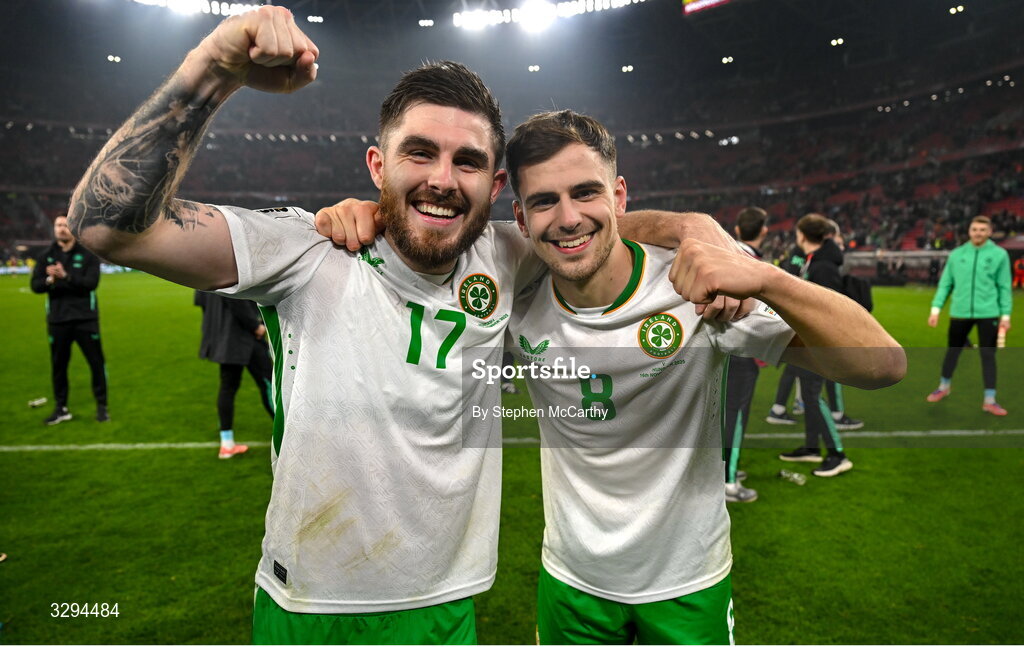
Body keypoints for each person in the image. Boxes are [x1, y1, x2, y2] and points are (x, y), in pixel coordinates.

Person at [67, 8, 739, 643]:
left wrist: (689, 228)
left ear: (495, 183)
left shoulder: (506, 255)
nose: (443, 179)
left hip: (448, 607)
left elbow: (588, 232)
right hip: (311, 606)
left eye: (467, 161)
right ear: (377, 165)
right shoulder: (304, 252)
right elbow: (104, 226)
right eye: (420, 153)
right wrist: (214, 66)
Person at [502, 111, 905, 644]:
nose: (568, 216)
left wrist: (764, 276)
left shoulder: (696, 290)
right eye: (544, 201)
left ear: (620, 196)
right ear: (521, 215)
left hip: (688, 583)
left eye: (586, 192)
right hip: (571, 582)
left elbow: (883, 366)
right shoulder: (514, 298)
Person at [777, 214, 857, 476]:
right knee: (810, 395)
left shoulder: (823, 267)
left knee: (812, 395)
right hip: (808, 339)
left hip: (819, 342)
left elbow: (828, 310)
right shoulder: (816, 261)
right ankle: (812, 448)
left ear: (802, 234)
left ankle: (837, 454)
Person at [926, 215, 1012, 415]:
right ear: (969, 231)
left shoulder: (999, 255)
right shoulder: (957, 254)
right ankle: (944, 387)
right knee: (953, 351)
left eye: (982, 230)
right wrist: (935, 309)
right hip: (960, 312)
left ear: (990, 232)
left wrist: (1005, 315)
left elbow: (1004, 287)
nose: (978, 233)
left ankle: (990, 400)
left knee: (988, 355)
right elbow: (945, 284)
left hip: (988, 312)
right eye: (975, 229)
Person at [30, 215, 109, 425]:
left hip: (85, 319)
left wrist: (65, 277)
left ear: (73, 229)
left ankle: (102, 406)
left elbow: (91, 283)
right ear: (54, 229)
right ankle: (61, 408)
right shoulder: (45, 256)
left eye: (65, 225)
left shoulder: (88, 256)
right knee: (59, 367)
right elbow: (35, 286)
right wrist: (49, 280)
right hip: (58, 321)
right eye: (58, 225)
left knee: (96, 364)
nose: (61, 229)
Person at [723, 206, 770, 503]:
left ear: (738, 229)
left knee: (722, 415)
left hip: (719, 349)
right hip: (740, 350)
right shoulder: (749, 261)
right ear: (764, 230)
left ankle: (725, 469)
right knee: (735, 416)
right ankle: (728, 482)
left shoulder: (725, 252)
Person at [195, 291, 275, 459]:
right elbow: (236, 301)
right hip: (244, 337)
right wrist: (255, 326)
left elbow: (201, 302)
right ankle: (289, 434)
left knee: (228, 388)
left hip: (223, 340)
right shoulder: (227, 268)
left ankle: (227, 444)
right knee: (269, 384)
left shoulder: (204, 270)